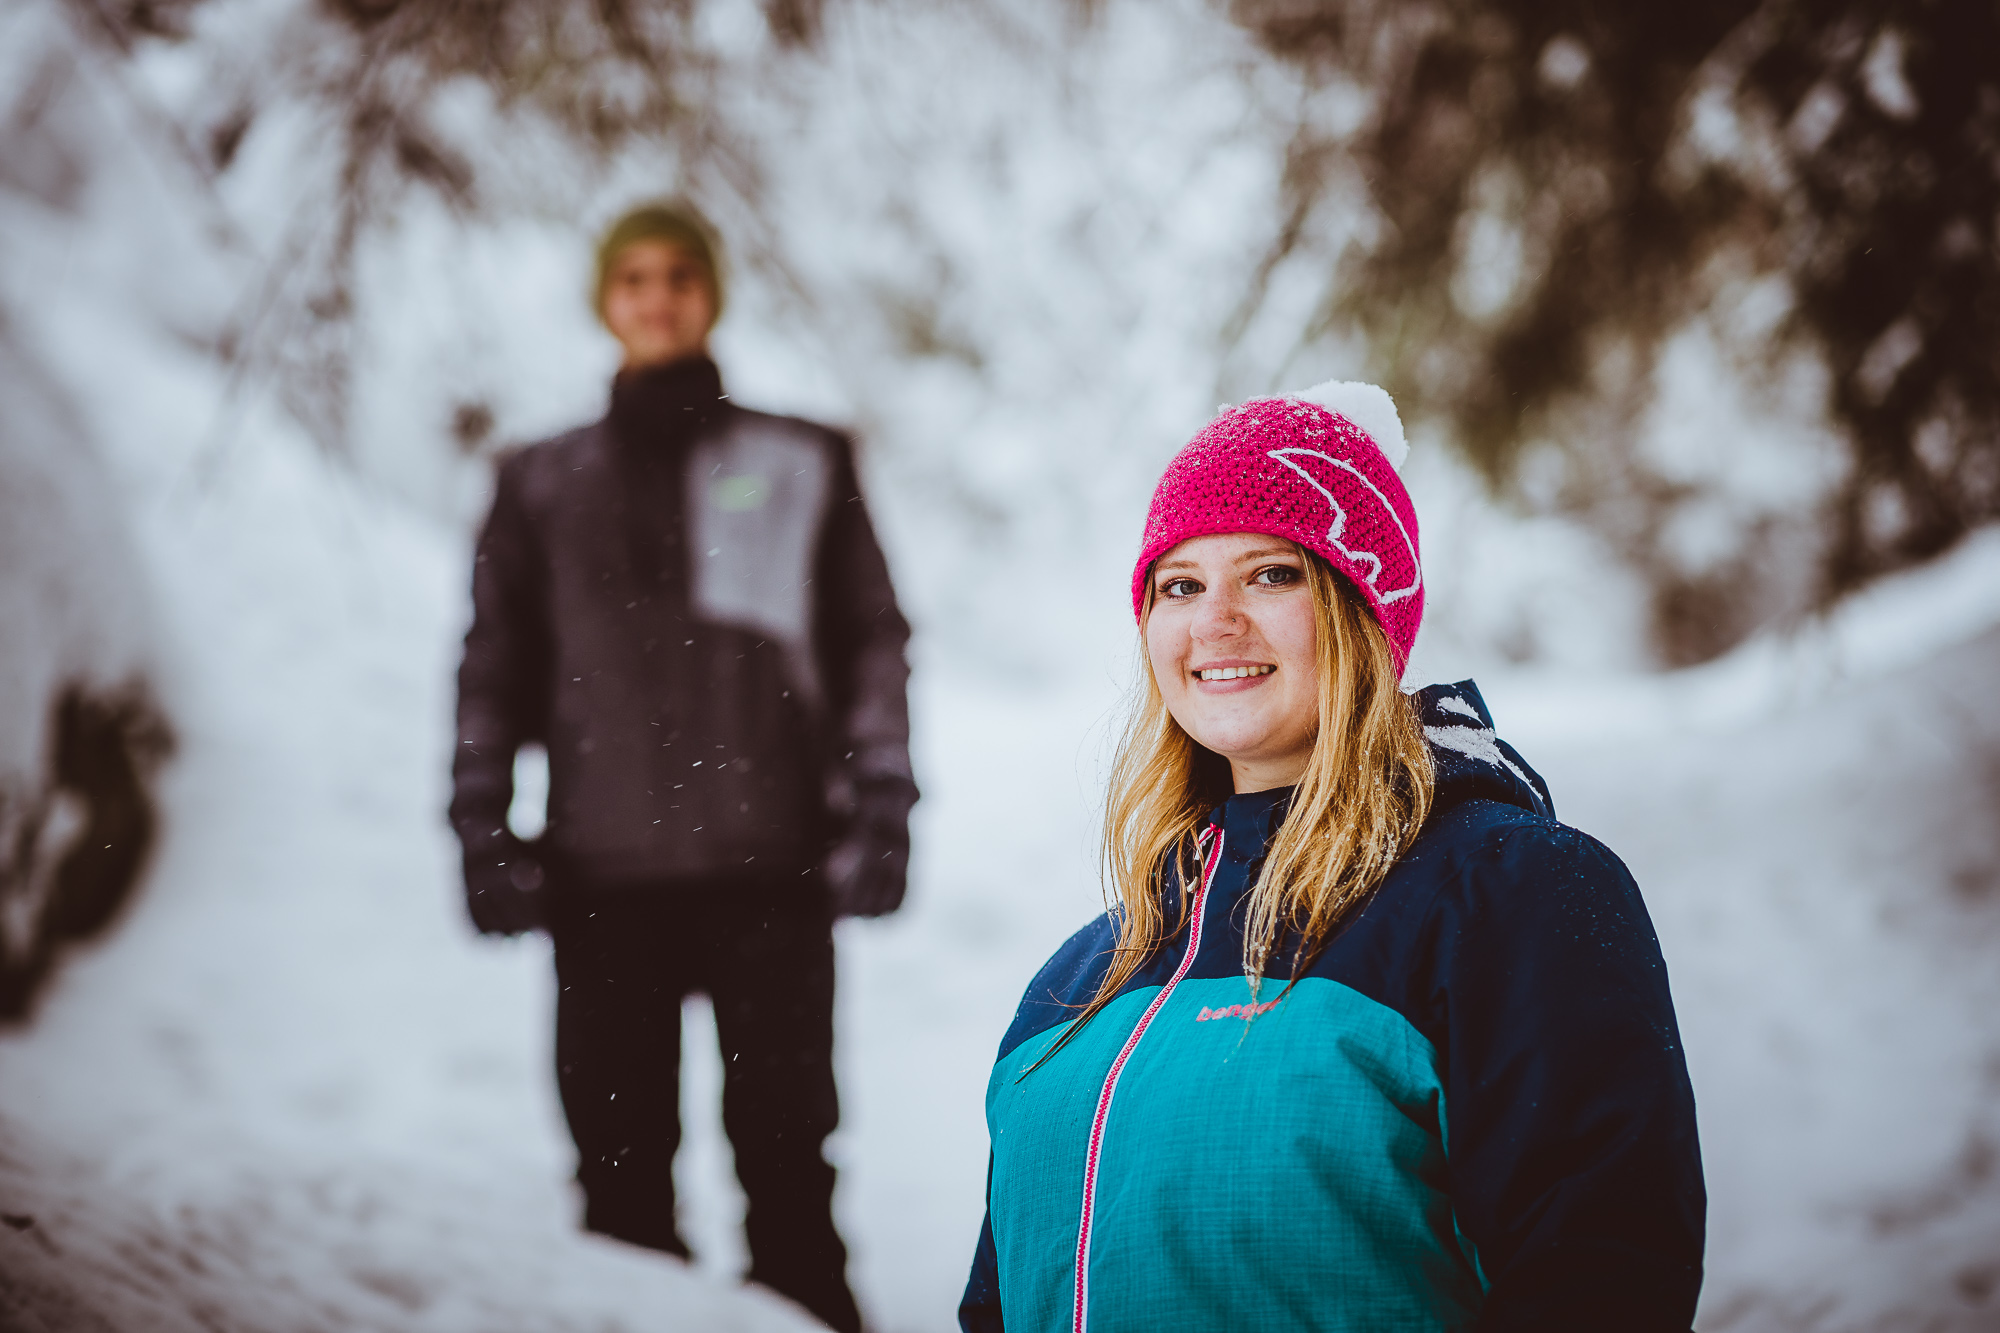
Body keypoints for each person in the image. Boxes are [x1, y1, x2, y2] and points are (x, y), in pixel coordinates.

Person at [957, 383, 1704, 1331]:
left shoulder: (1511, 894)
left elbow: (1603, 1276)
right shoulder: (1073, 988)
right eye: (1180, 584)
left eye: (1271, 573)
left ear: (1364, 608)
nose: (1214, 620)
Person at [450, 200, 916, 1333]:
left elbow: (872, 640)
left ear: (711, 293)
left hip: (773, 873)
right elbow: (492, 666)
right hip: (602, 884)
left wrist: (883, 806)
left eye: (678, 276)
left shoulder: (801, 459)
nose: (657, 297)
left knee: (790, 1182)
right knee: (618, 1196)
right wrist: (479, 827)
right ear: (604, 301)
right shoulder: (540, 480)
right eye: (632, 279)